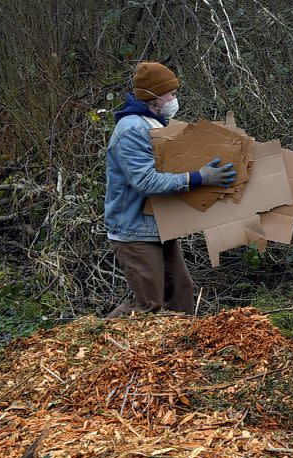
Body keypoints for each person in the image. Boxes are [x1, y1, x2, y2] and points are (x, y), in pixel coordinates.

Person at [104, 61, 236, 318]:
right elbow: (145, 181)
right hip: (133, 232)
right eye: (171, 93)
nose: (175, 98)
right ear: (153, 95)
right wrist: (199, 178)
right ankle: (95, 336)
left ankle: (180, 354)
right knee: (148, 306)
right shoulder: (131, 130)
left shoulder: (158, 124)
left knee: (181, 295)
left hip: (159, 228)